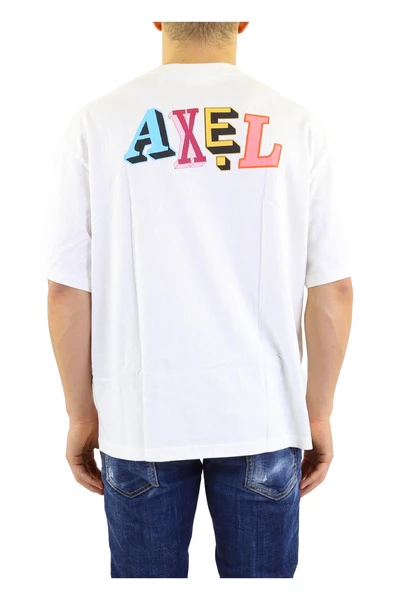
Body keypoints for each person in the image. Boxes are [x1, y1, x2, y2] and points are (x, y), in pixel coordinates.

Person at [46, 21, 353, 578]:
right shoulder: (298, 125)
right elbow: (333, 288)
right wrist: (318, 413)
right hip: (263, 416)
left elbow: (67, 289)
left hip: (141, 416)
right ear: (242, 19)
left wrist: (80, 413)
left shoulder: (98, 122)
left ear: (159, 19)